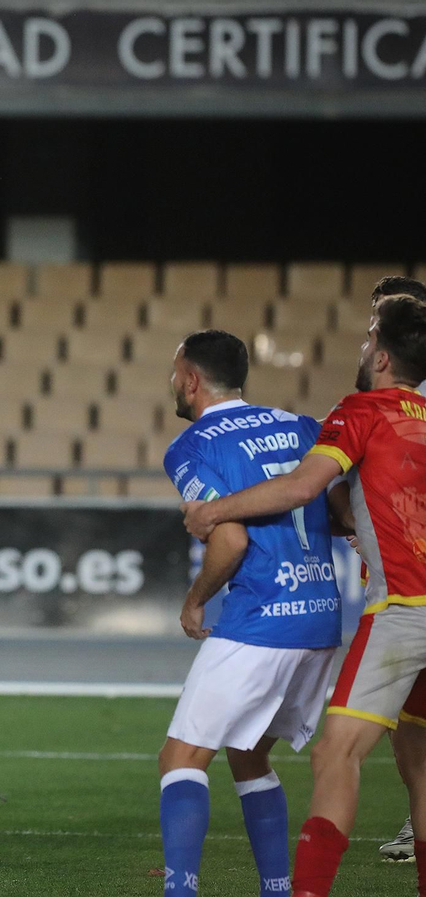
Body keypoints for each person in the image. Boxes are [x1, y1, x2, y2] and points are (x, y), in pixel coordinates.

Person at [182, 296, 426, 897]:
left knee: (334, 756)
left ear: (385, 356)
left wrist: (215, 509)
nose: (363, 349)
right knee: (420, 765)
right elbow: (354, 507)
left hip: (404, 609)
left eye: (370, 339)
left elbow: (300, 487)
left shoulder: (362, 410)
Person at [158, 330, 342, 897]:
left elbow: (229, 540)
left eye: (174, 370)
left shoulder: (192, 447)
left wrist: (194, 601)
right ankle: (276, 888)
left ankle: (180, 890)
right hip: (320, 617)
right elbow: (341, 514)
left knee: (181, 758)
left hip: (262, 618)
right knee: (247, 751)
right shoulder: (302, 425)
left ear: (191, 379)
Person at [359, 277, 426, 863]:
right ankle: (417, 820)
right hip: (397, 575)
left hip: (412, 591)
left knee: (369, 732)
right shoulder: (391, 395)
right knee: (404, 721)